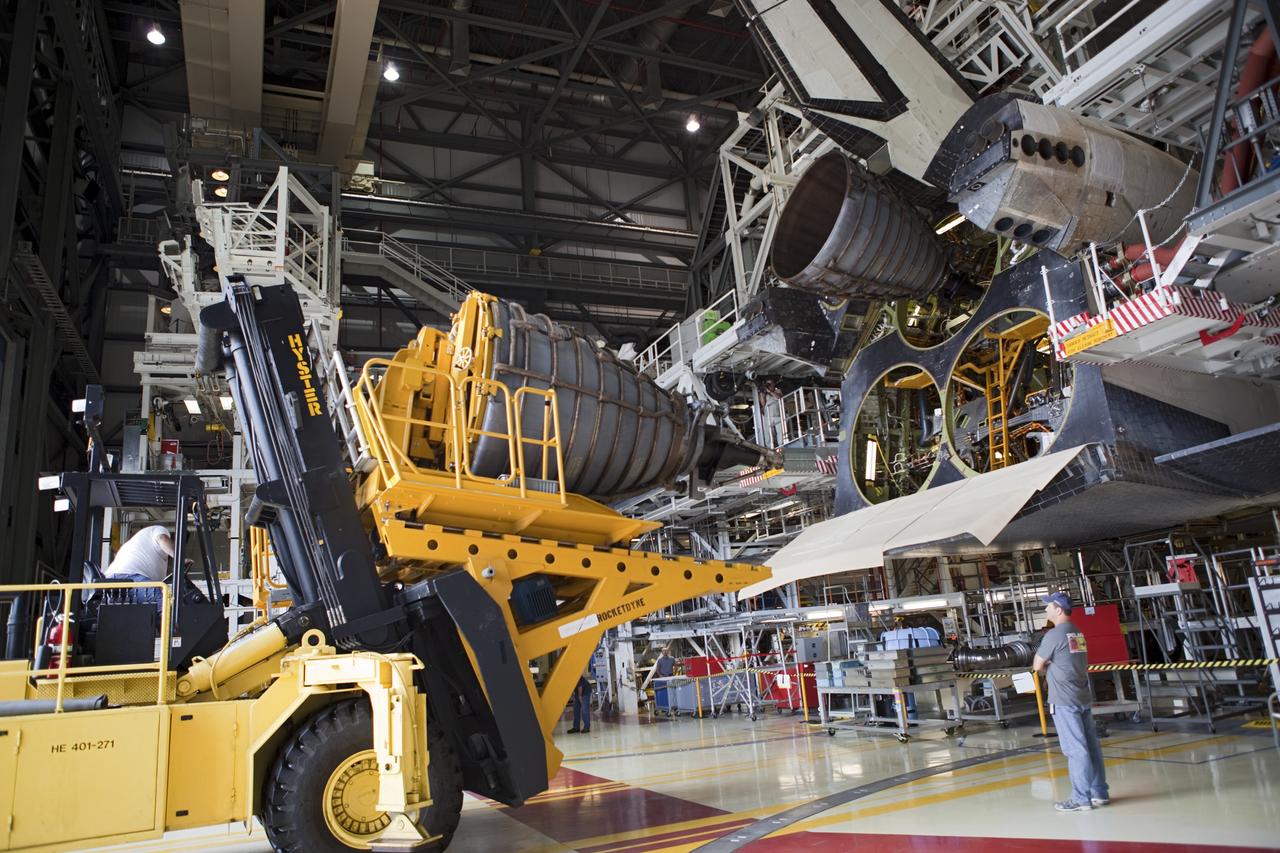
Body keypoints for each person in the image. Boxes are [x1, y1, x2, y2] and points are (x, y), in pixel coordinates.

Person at [1033, 591, 1110, 813]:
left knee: (1076, 749)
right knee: (1091, 746)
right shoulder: (1077, 632)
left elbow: (1037, 665)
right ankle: (1099, 792)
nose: (1046, 609)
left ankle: (1080, 798)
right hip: (1082, 695)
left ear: (1058, 609)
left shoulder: (1054, 635)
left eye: (1048, 606)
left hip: (1064, 699)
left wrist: (1048, 666)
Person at [104, 525, 175, 606]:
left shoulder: (158, 558)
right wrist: (178, 558)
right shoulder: (159, 531)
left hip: (126, 581)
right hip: (128, 577)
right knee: (163, 605)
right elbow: (162, 538)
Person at [568, 659, 594, 733]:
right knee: (576, 709)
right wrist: (574, 695)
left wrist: (579, 697)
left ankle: (587, 727)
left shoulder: (576, 674)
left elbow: (580, 686)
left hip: (585, 691)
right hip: (578, 692)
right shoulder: (568, 676)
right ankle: (576, 727)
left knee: (584, 709)